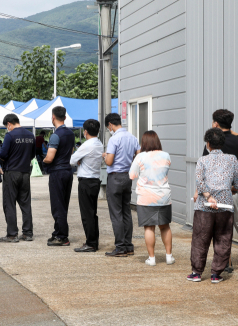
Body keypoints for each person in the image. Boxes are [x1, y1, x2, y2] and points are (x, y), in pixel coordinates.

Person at [195, 109, 238, 269]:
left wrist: (198, 192)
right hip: (235, 190)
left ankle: (226, 262)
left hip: (215, 194)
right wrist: (230, 129)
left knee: (221, 228)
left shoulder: (211, 143)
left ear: (215, 124)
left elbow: (203, 171)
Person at [188, 128, 238, 283]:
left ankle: (197, 273)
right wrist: (228, 188)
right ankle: (216, 274)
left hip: (204, 206)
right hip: (225, 206)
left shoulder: (202, 160)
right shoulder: (232, 159)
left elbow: (199, 183)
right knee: (223, 238)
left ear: (208, 144)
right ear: (222, 143)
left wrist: (208, 196)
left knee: (200, 239)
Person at [129, 130, 174, 266]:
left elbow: (132, 175)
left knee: (149, 228)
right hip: (164, 196)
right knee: (165, 227)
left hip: (146, 197)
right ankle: (169, 257)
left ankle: (152, 258)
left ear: (144, 143)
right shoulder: (166, 155)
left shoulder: (140, 157)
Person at [103, 113, 140, 257]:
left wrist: (106, 156)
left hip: (115, 177)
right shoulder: (132, 137)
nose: (109, 129)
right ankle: (128, 245)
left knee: (116, 213)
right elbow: (139, 154)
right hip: (127, 176)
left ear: (111, 124)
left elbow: (109, 162)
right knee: (126, 212)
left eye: (108, 127)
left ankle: (120, 247)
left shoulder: (114, 139)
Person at [0, 114, 35, 243]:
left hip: (11, 173)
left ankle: (12, 234)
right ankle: (28, 233)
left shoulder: (10, 135)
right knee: (25, 203)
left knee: (9, 204)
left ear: (9, 124)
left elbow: (2, 154)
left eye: (6, 127)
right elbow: (32, 154)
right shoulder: (31, 135)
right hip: (25, 172)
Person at [70, 119, 104, 253]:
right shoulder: (99, 144)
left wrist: (79, 160)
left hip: (85, 181)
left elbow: (72, 160)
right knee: (93, 213)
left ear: (85, 132)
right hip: (95, 180)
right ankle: (94, 241)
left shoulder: (86, 145)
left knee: (86, 214)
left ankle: (90, 243)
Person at [43, 106, 75, 246]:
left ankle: (62, 237)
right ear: (65, 117)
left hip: (57, 172)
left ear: (53, 117)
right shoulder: (70, 134)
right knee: (63, 204)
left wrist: (43, 160)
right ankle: (57, 232)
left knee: (57, 206)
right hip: (68, 171)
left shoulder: (55, 135)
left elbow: (50, 157)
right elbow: (72, 151)